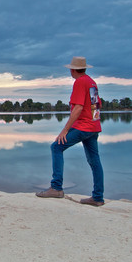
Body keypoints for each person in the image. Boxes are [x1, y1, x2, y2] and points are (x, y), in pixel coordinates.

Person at [36, 56, 104, 206]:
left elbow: (78, 107)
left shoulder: (80, 82)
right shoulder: (92, 82)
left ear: (73, 70)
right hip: (93, 126)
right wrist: (94, 123)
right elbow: (96, 106)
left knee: (56, 147)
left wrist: (65, 130)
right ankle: (98, 197)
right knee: (94, 161)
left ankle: (56, 188)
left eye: (70, 70)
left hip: (84, 126)